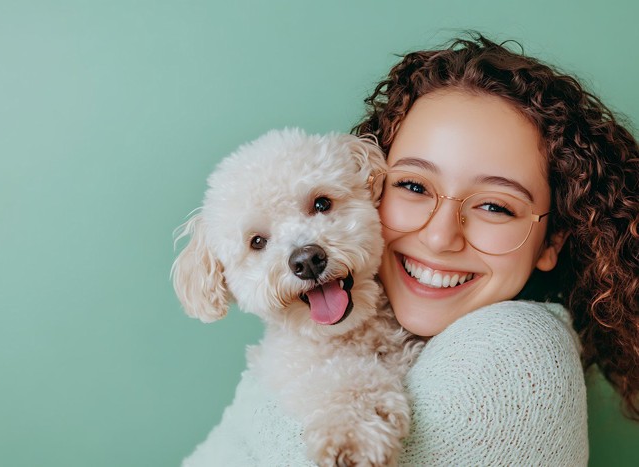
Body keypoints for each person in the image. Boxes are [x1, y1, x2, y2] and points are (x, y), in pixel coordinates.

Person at [182, 34, 638, 465]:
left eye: (496, 206)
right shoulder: (292, 370)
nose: (440, 237)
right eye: (415, 185)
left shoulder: (516, 354)